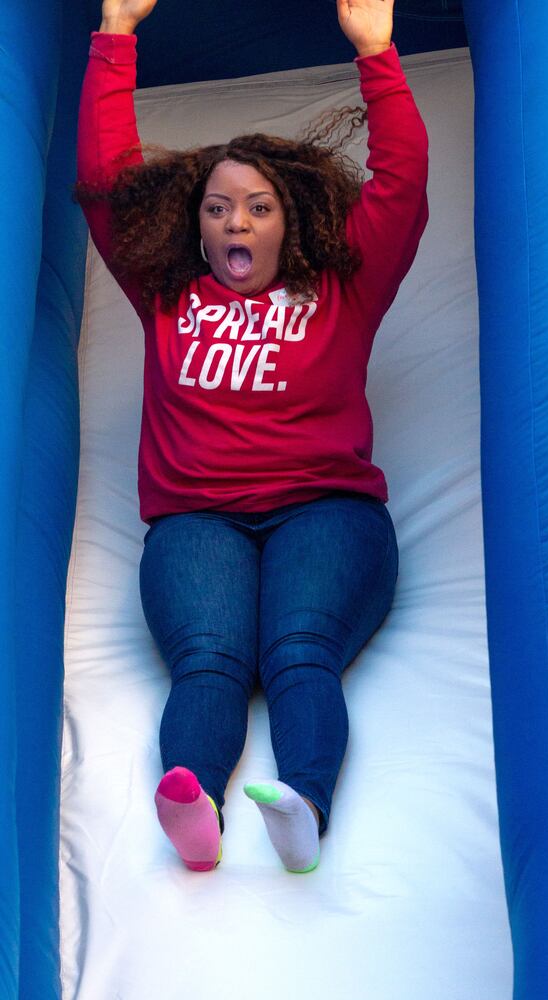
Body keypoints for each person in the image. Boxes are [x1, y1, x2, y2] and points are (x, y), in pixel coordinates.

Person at [75, 0, 428, 874]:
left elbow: (401, 186)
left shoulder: (344, 291)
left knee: (300, 651)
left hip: (327, 509)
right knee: (208, 660)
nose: (237, 221)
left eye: (259, 207)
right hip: (198, 520)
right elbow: (106, 182)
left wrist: (377, 54)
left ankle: (304, 805)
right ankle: (194, 808)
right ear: (196, 228)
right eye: (219, 207)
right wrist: (114, 31)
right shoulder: (167, 295)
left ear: (288, 222)